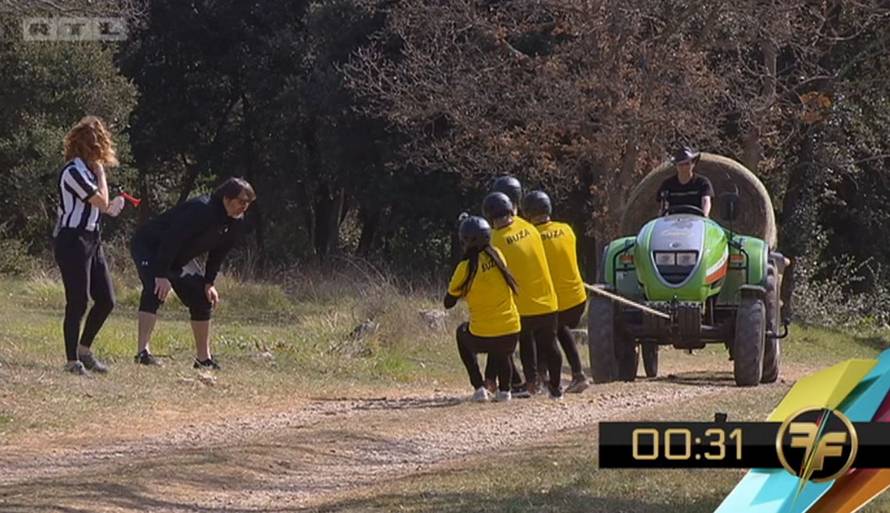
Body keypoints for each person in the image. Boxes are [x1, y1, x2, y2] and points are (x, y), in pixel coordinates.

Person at [130, 177, 255, 369]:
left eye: (248, 203)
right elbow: (172, 238)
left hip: (179, 256)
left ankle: (203, 359)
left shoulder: (235, 222)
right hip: (151, 247)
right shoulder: (202, 210)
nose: (244, 207)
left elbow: (218, 253)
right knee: (155, 289)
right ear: (227, 198)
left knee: (202, 298)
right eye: (241, 201)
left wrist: (209, 282)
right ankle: (142, 353)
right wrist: (162, 274)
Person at [53, 116, 127, 375]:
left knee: (106, 299)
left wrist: (112, 208)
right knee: (78, 301)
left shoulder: (87, 171)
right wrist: (102, 176)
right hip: (73, 239)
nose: (100, 152)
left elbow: (102, 206)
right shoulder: (74, 171)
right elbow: (100, 199)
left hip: (92, 239)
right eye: (96, 146)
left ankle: (85, 350)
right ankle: (71, 360)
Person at [482, 192, 564, 400]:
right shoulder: (530, 229)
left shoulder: (495, 241)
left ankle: (522, 384)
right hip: (548, 302)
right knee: (551, 345)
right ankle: (556, 388)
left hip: (522, 308)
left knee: (511, 342)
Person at [445, 215, 521, 402]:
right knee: (502, 346)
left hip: (482, 336)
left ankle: (479, 388)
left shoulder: (465, 267)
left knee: (462, 332)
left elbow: (448, 302)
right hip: (512, 330)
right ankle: (505, 391)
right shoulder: (498, 255)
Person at [521, 191, 589, 393]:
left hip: (558, 302)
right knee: (558, 328)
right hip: (578, 298)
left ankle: (542, 378)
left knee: (542, 330)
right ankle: (577, 374)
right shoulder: (566, 229)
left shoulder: (532, 237)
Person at [656, 146, 714, 217]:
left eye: (687, 164)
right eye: (681, 165)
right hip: (673, 223)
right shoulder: (667, 185)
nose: (684, 168)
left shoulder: (702, 183)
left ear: (693, 164)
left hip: (696, 222)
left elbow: (706, 201)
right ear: (676, 166)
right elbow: (663, 206)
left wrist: (705, 216)